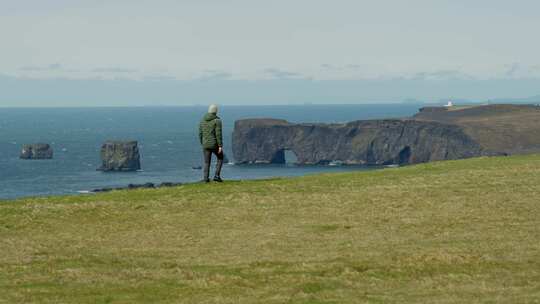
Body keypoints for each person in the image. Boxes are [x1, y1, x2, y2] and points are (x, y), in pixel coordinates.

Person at [199, 104, 224, 182]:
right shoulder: (217, 121)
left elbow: (200, 133)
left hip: (205, 144)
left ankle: (206, 178)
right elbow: (218, 134)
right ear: (216, 111)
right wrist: (220, 145)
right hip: (214, 144)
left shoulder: (202, 120)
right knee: (220, 157)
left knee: (206, 162)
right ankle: (216, 176)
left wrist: (202, 143)